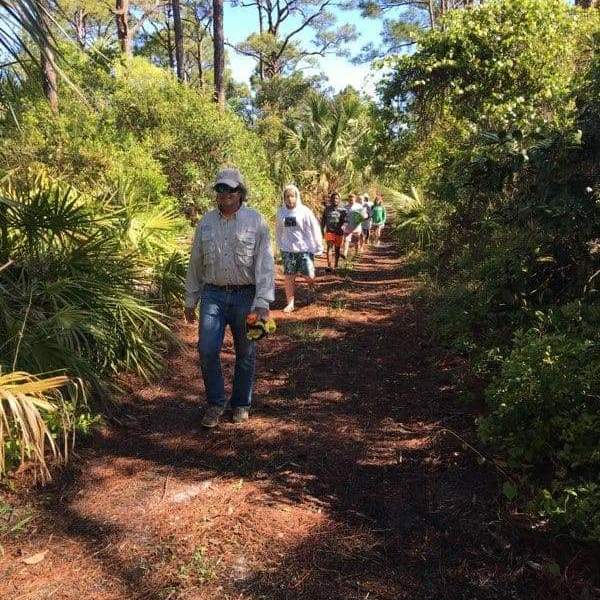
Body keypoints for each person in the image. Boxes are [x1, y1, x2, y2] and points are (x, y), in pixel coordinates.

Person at [184, 167, 275, 428]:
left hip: (246, 296)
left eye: (229, 190)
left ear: (240, 193)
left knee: (246, 351)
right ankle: (215, 402)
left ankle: (241, 404)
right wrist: (191, 299)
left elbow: (265, 264)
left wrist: (263, 302)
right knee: (207, 349)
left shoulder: (256, 221)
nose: (223, 194)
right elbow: (196, 262)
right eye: (219, 189)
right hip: (213, 294)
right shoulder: (206, 222)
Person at [275, 184, 323, 313]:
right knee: (289, 276)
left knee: (309, 274)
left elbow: (315, 228)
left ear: (297, 197)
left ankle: (311, 287)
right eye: (287, 196)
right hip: (288, 250)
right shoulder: (281, 213)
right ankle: (290, 303)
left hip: (304, 249)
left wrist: (318, 245)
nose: (290, 199)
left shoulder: (305, 211)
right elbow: (278, 230)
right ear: (284, 198)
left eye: (292, 196)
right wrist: (279, 245)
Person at [321, 191, 346, 272]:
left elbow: (346, 221)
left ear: (339, 200)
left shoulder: (343, 209)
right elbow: (323, 219)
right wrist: (322, 229)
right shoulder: (327, 209)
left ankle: (336, 265)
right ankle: (329, 266)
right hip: (329, 231)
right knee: (329, 247)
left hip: (339, 232)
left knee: (337, 249)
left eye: (336, 198)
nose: (335, 199)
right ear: (331, 199)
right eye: (333, 198)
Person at [342, 194, 367, 260]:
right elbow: (343, 216)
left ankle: (356, 254)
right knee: (346, 240)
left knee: (356, 241)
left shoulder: (359, 206)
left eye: (352, 200)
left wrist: (363, 217)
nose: (351, 201)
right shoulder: (345, 207)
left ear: (355, 199)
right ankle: (344, 254)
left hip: (357, 227)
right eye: (350, 200)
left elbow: (364, 214)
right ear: (348, 199)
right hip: (348, 226)